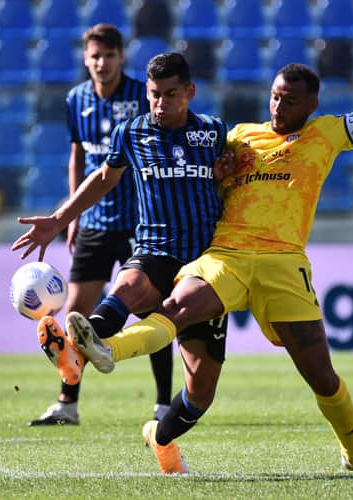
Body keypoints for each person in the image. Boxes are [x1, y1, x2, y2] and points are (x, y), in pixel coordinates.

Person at [59, 11, 353, 476]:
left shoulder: (325, 134)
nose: (277, 107)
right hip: (225, 254)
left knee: (320, 377)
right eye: (273, 97)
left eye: (288, 101)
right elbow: (191, 165)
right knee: (178, 307)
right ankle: (103, 350)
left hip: (284, 263)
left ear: (311, 104)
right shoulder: (239, 136)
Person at [12, 52, 232, 420]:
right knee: (126, 286)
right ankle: (77, 351)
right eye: (154, 94)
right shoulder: (132, 132)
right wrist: (59, 219)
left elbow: (234, 187)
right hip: (155, 249)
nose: (160, 103)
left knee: (199, 392)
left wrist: (222, 178)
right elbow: (103, 179)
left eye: (171, 94)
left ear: (190, 91)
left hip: (204, 262)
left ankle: (161, 432)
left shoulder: (214, 132)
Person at [28, 24, 173, 426]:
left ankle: (163, 403)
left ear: (120, 58)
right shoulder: (76, 99)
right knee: (77, 311)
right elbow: (78, 155)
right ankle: (67, 403)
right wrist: (71, 214)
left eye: (109, 55)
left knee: (151, 310)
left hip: (138, 223)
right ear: (85, 58)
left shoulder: (140, 97)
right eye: (95, 56)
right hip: (93, 222)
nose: (101, 63)